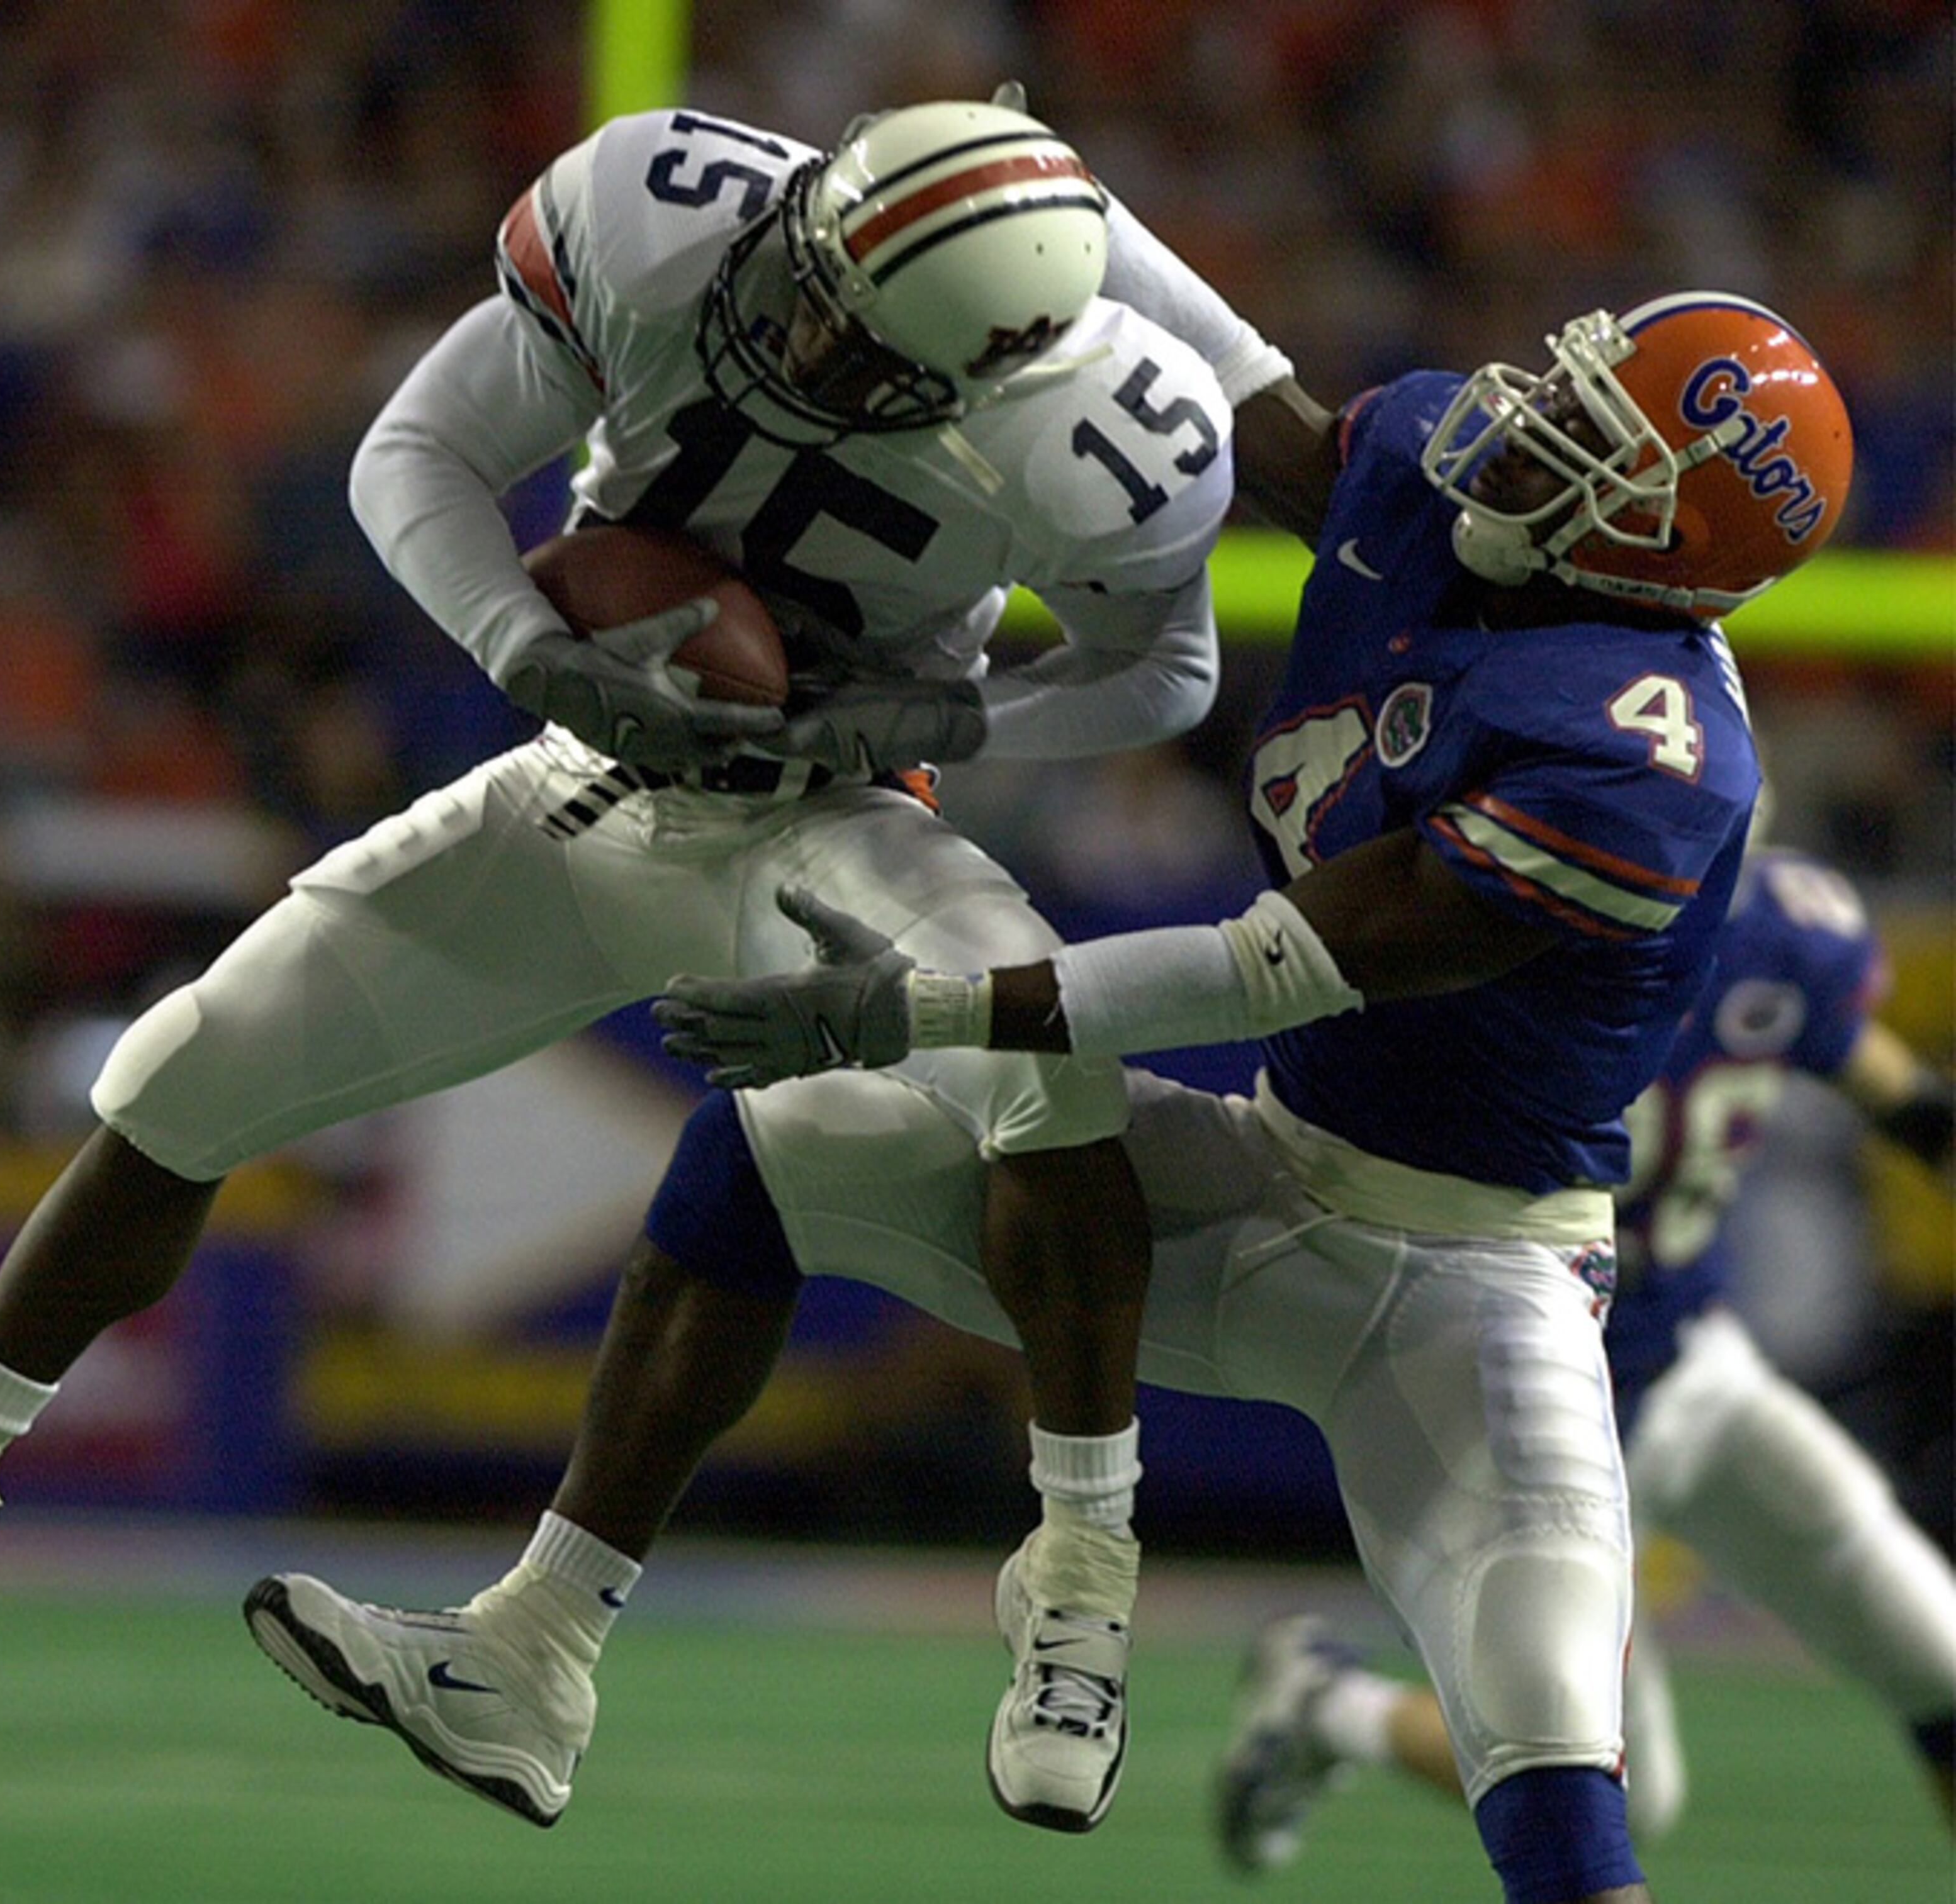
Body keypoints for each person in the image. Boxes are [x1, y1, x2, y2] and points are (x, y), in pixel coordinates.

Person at [0, 94, 1293, 1832]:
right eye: (813, 280)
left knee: (1046, 1053)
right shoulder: (673, 221)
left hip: (828, 821)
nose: (797, 330)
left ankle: (1079, 1574)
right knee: (187, 1067)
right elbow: (418, 453)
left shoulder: (1105, 424)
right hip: (586, 781)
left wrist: (937, 715)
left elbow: (1167, 673)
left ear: (987, 368)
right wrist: (531, 649)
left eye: (855, 342)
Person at [508, 288, 1853, 1904]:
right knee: (767, 1149)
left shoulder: (1648, 755)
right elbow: (1243, 373)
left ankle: (1127, 1599)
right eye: (1572, 391)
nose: (1538, 426)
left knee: (1559, 1778)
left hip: (1481, 1283)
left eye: (1597, 441)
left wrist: (922, 1005)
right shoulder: (1440, 491)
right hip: (1272, 1172)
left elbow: (1275, 965)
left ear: (1667, 545)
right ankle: (538, 1640)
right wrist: (1026, 219)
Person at [1212, 843, 1956, 1871]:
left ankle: (1323, 1697)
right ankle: (1329, 1701)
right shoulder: (1504, 921)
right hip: (1557, 1402)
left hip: (1697, 1364)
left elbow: (1906, 1101)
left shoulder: (1781, 933)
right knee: (1623, 1794)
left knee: (1942, 1661)